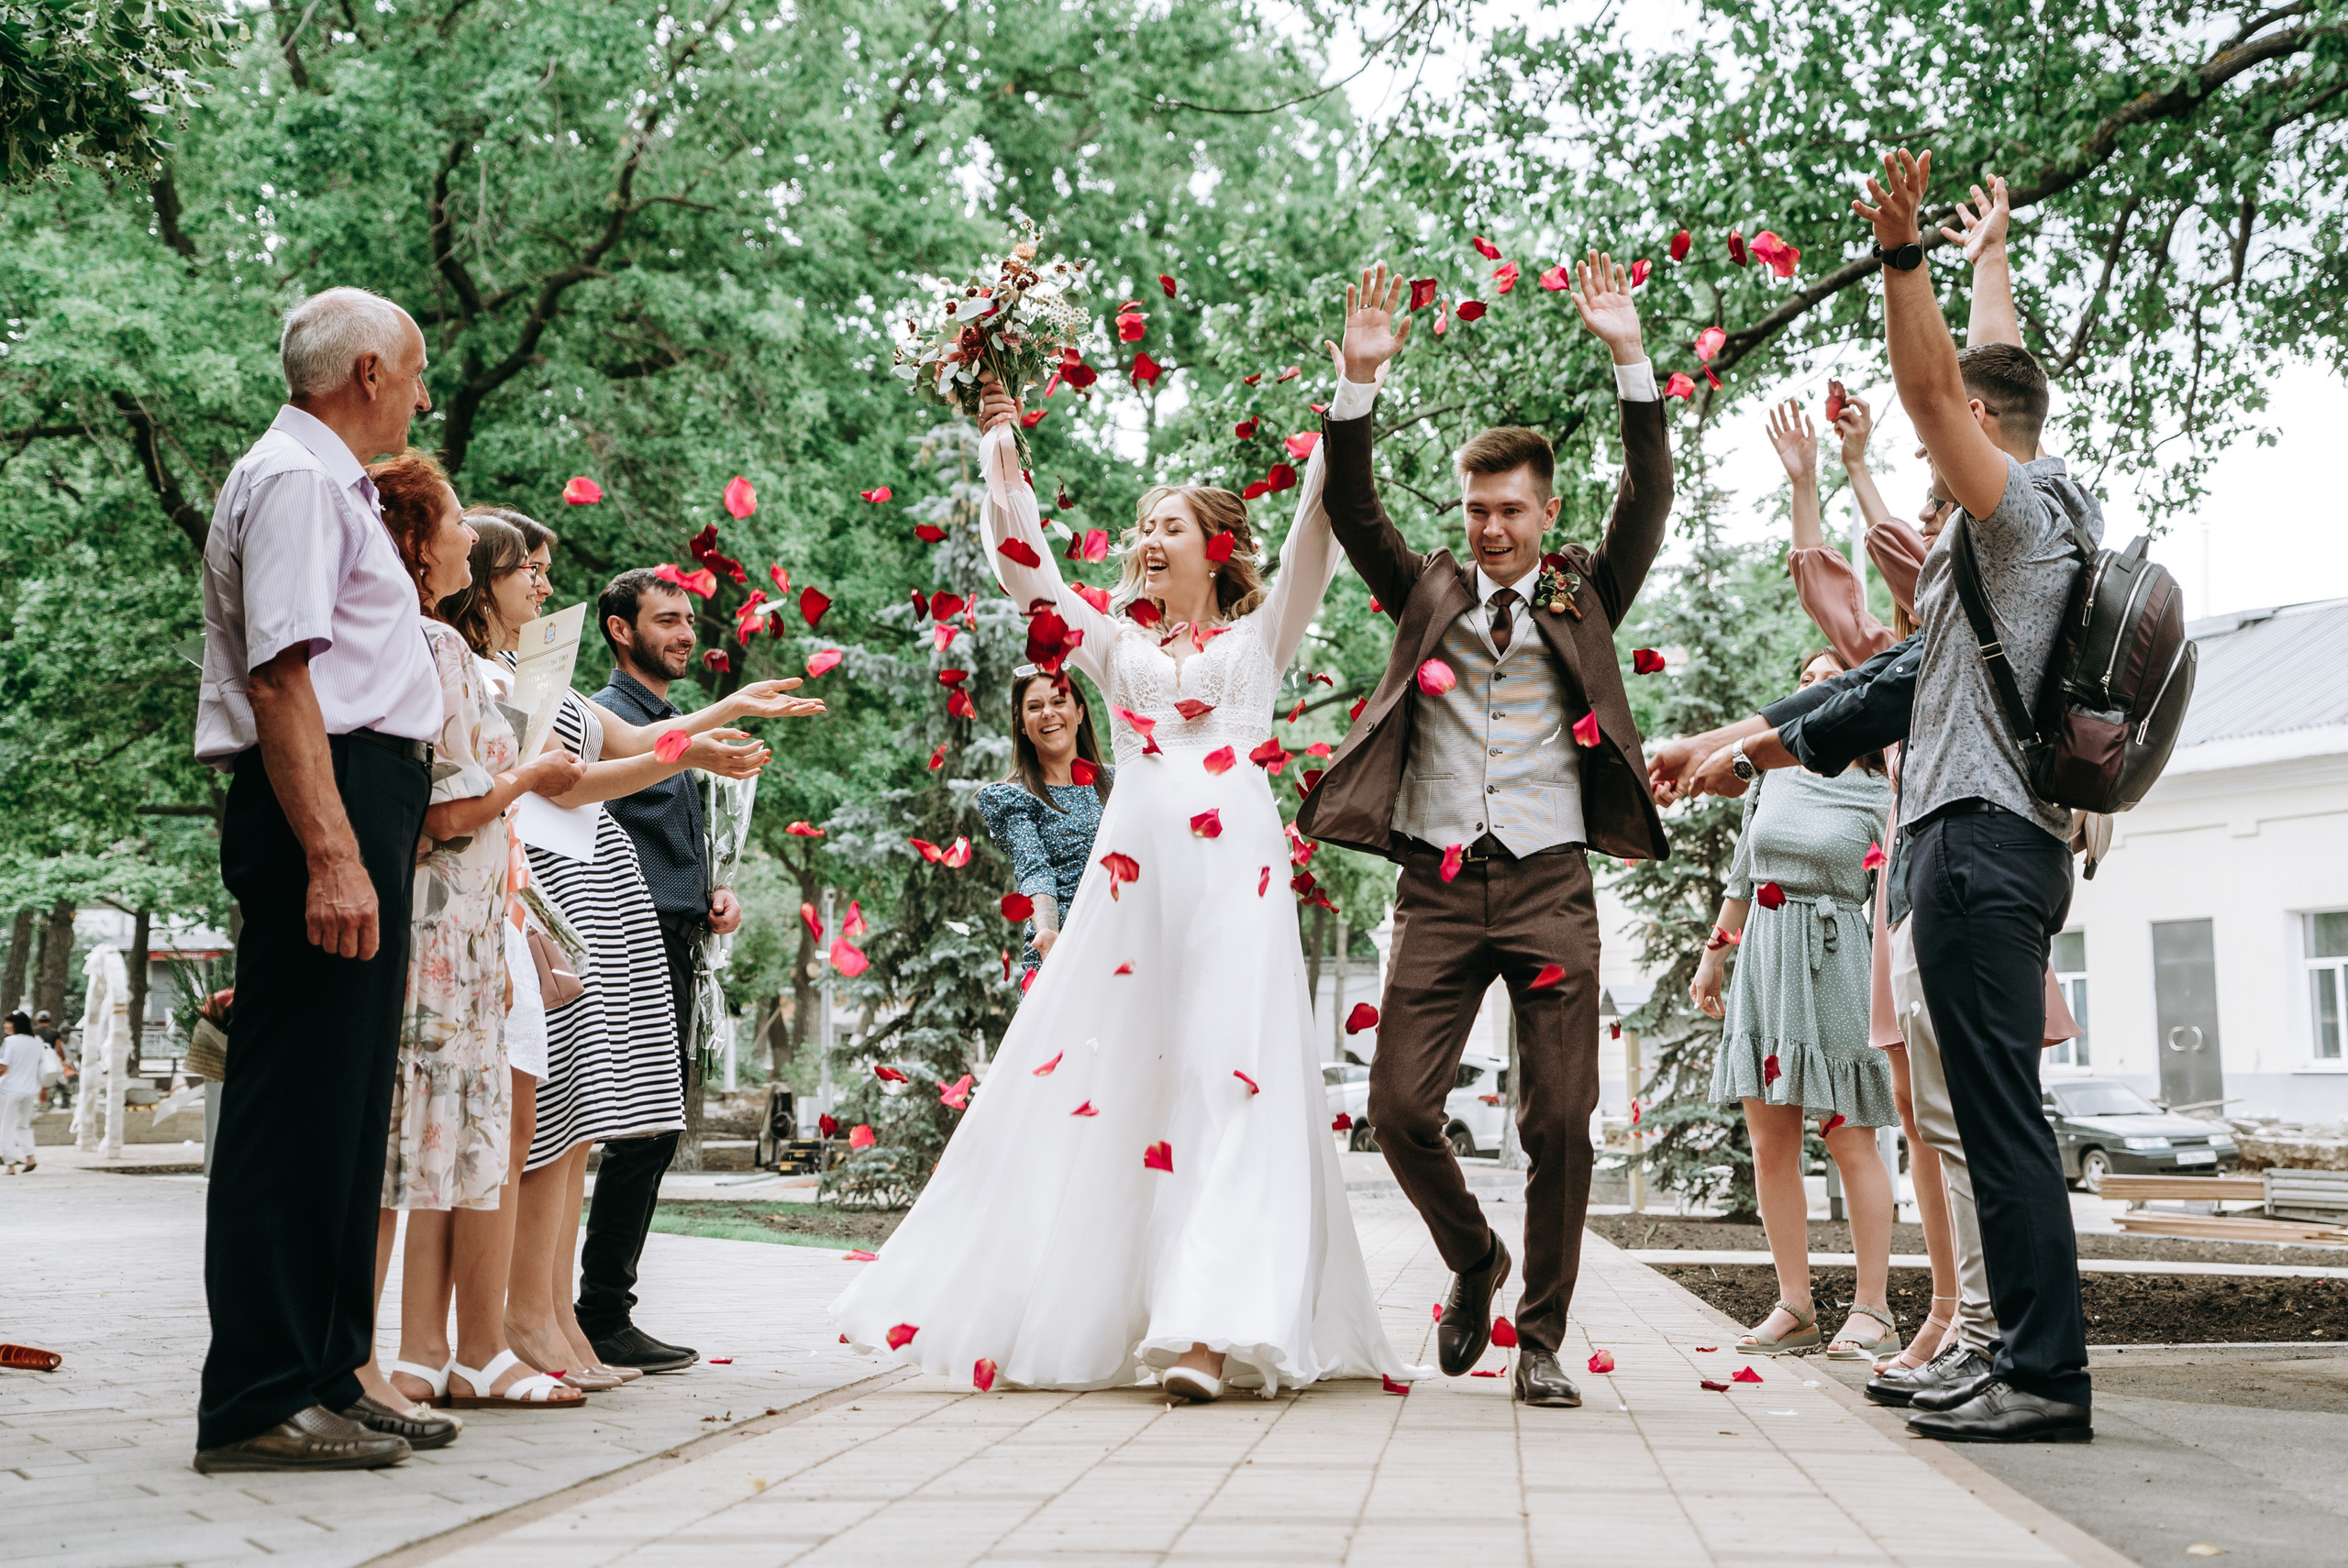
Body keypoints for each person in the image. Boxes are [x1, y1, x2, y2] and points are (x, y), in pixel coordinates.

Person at [830, 328, 1425, 1405]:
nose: (1148, 536)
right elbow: (1029, 570)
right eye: (1143, 524)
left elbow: (1313, 530)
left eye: (1169, 524)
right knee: (1130, 1081)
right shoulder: (1112, 645)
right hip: (1136, 886)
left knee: (1227, 1080)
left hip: (1235, 882)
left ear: (1212, 547)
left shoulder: (1261, 636)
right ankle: (1129, 1306)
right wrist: (999, 444)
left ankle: (1208, 1331)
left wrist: (1356, 383)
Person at [1295, 257, 1674, 1409]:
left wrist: (1628, 359)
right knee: (1398, 1110)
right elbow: (1354, 512)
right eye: (1476, 511)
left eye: (1511, 510)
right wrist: (1358, 383)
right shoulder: (1428, 591)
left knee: (1561, 1116)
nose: (1493, 529)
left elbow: (1646, 501)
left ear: (1546, 512)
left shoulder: (1585, 594)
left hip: (1552, 879)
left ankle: (1543, 1338)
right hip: (1439, 883)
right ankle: (1474, 1258)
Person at [192, 286, 439, 1474]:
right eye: (420, 371)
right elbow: (283, 677)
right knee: (296, 1107)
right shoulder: (293, 479)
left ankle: (331, 1367)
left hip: (362, 794)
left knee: (345, 1112)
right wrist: (335, 852)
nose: (428, 395)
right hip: (319, 803)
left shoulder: (327, 480)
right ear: (372, 371)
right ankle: (256, 1392)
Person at [365, 458, 587, 1426]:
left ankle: (419, 1355)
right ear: (423, 544)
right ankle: (398, 1357)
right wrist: (529, 776)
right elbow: (449, 811)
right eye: (455, 523)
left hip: (464, 919)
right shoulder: (438, 650)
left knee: (438, 1139)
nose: (468, 533)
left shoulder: (418, 645)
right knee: (422, 1140)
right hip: (447, 923)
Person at [573, 569, 755, 1371]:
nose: (687, 634)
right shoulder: (611, 718)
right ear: (621, 630)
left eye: (691, 621)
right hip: (624, 938)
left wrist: (713, 891)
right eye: (668, 620)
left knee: (653, 1127)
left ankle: (598, 1310)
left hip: (672, 934)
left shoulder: (669, 722)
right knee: (641, 1129)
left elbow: (674, 837)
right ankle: (599, 1314)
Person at [1693, 646, 1898, 1360]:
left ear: (1856, 703)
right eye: (1802, 681)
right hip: (1766, 960)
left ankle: (1873, 1309)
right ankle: (1795, 1305)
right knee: (1769, 1140)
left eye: (1828, 683)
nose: (1811, 691)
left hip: (1839, 958)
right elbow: (1745, 871)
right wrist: (1714, 952)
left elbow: (1893, 898)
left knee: (1848, 1136)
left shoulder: (1882, 793)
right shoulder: (1769, 779)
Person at [977, 668, 1115, 979]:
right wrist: (1048, 931)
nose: (1048, 713)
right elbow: (1034, 870)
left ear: (1079, 712)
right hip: (1061, 946)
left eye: (1058, 701)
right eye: (1035, 706)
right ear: (1022, 725)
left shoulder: (1121, 783)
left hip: (1124, 939)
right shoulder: (1014, 797)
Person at [2, 1011, 40, 1175]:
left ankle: (10, 1164)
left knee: (5, 1126)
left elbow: (3, 1067)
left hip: (9, 1089)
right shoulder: (37, 1041)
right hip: (29, 1089)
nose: (5, 1025)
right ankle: (30, 1157)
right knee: (23, 1126)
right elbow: (41, 1066)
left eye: (8, 1023)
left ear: (15, 1025)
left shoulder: (10, 1042)